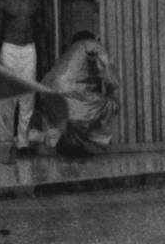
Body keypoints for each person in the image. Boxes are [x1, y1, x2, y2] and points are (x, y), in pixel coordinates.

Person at [40, 30, 120, 158]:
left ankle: (69, 145)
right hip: (69, 93)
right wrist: (114, 87)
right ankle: (87, 142)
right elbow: (109, 74)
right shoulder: (92, 44)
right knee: (110, 104)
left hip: (46, 96)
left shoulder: (68, 54)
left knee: (78, 112)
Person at [0, 0, 43, 156]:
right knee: (6, 98)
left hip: (29, 49)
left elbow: (40, 32)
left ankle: (23, 142)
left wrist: (43, 58)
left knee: (28, 96)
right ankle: (5, 141)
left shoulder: (34, 4)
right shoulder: (3, 4)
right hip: (9, 49)